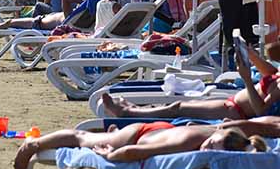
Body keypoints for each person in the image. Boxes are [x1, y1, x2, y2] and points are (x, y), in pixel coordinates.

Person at [13, 119, 267, 169]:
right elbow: (136, 153)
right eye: (212, 144)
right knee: (81, 138)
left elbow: (193, 124)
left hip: (159, 130)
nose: (208, 147)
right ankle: (32, 144)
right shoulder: (185, 144)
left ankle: (114, 134)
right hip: (140, 136)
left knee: (94, 137)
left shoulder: (231, 136)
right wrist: (110, 155)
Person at [102, 41, 280, 122]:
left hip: (236, 112)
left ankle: (129, 113)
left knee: (178, 108)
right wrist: (250, 54)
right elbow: (269, 72)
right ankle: (134, 110)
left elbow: (262, 111)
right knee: (182, 106)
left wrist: (247, 80)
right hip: (233, 105)